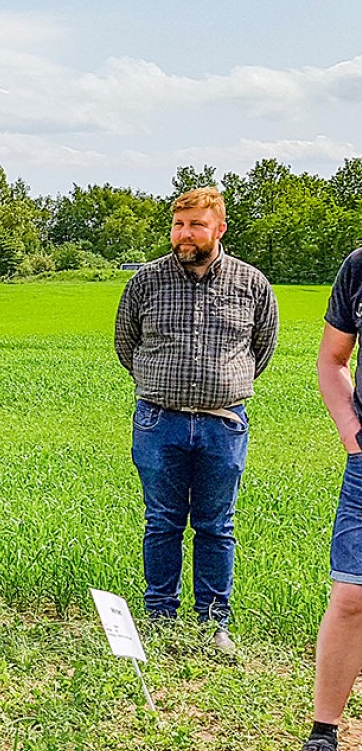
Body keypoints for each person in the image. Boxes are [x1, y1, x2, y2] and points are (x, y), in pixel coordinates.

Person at [114, 186, 278, 655]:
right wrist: (164, 385)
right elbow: (127, 346)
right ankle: (161, 618)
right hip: (157, 422)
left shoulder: (251, 284)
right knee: (161, 522)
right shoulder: (145, 282)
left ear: (219, 228)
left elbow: (260, 350)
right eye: (179, 225)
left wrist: (218, 384)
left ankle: (212, 624)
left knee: (216, 525)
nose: (184, 235)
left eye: (196, 225)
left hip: (222, 425)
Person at [279, 248, 362, 751]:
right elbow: (331, 359)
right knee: (351, 596)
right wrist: (352, 437)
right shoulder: (359, 266)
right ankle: (323, 741)